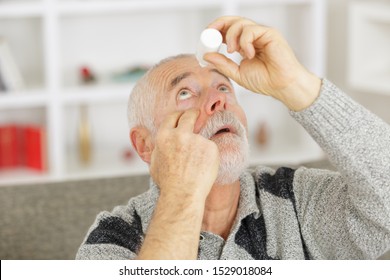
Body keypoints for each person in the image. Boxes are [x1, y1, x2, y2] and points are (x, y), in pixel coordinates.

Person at [76, 16, 390, 260]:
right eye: (185, 93)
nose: (219, 101)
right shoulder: (114, 239)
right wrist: (182, 193)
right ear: (145, 145)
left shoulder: (294, 201)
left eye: (223, 87)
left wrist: (296, 84)